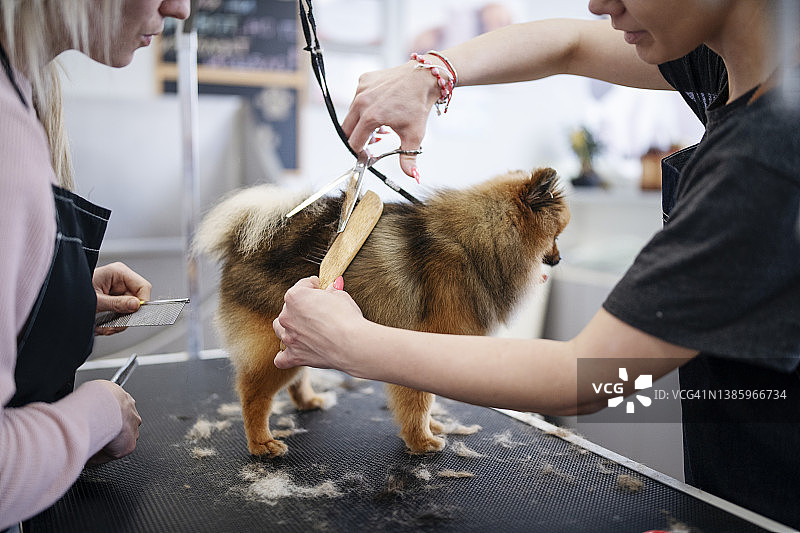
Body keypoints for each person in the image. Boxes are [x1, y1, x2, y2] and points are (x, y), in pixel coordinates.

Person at [274, 0, 800, 528]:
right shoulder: (722, 64)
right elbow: (568, 44)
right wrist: (432, 73)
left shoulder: (768, 152)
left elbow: (592, 377)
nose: (598, 4)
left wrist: (352, 344)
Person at [0, 0, 190, 528]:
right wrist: (96, 416)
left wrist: (56, 298)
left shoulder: (24, 91)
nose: (180, 8)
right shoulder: (5, 137)